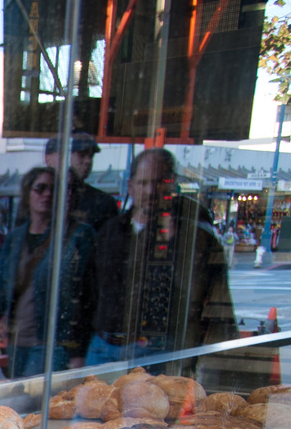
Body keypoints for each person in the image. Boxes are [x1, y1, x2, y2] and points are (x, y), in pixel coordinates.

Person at [89, 148, 236, 368]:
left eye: (159, 182)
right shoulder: (110, 232)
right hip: (103, 347)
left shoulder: (193, 239)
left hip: (159, 352)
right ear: (131, 186)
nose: (150, 191)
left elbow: (210, 304)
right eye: (143, 183)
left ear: (172, 184)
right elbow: (89, 293)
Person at [0, 166, 96, 377]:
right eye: (40, 188)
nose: (47, 195)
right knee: (23, 401)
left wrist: (77, 350)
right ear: (28, 194)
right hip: (19, 339)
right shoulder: (17, 237)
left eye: (54, 190)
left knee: (34, 403)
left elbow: (86, 298)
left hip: (53, 342)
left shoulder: (77, 235)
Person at [45, 132, 118, 233]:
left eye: (91, 155)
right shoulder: (41, 197)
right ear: (49, 158)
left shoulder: (104, 203)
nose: (88, 161)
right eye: (81, 155)